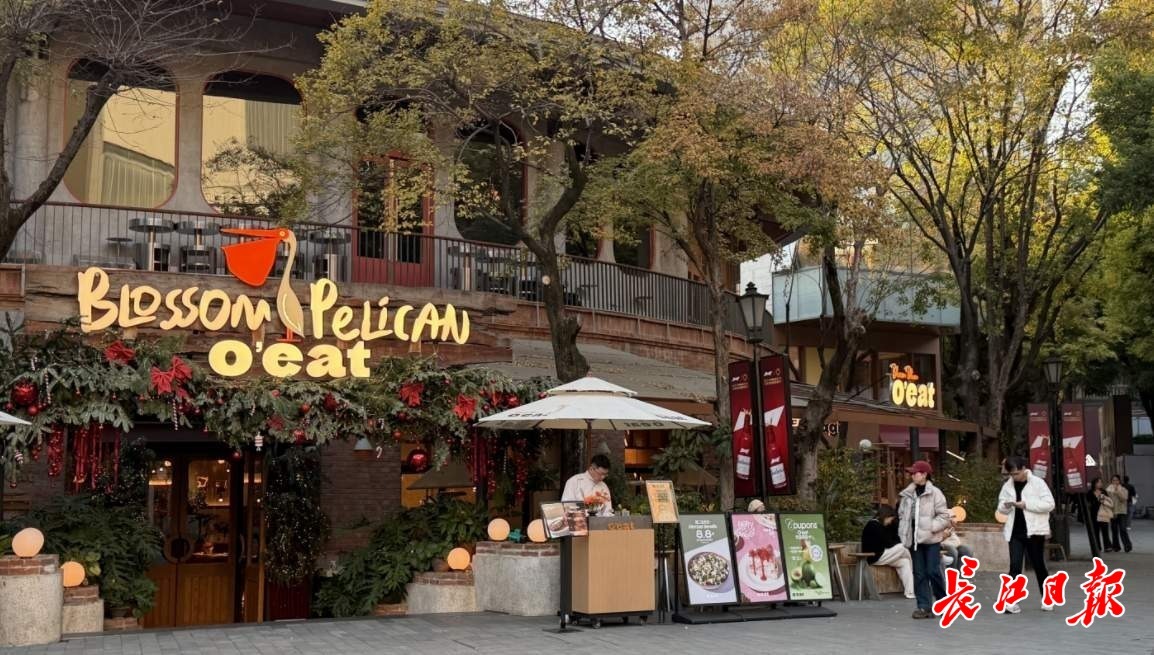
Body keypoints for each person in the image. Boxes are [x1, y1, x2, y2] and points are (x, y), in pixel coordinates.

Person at [997, 456, 1055, 613]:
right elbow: (1001, 507)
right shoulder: (1008, 485)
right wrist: (1006, 506)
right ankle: (1010, 602)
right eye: (1011, 474)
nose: (1014, 477)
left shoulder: (1037, 483)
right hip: (1015, 531)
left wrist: (1026, 505)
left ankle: (1047, 598)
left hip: (1034, 531)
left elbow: (1049, 504)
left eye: (1016, 473)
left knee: (1038, 565)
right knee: (1014, 567)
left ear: (1024, 469)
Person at [898, 460, 952, 619]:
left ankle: (943, 602)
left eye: (915, 473)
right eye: (912, 473)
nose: (912, 476)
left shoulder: (935, 493)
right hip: (914, 540)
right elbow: (902, 514)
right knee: (919, 574)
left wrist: (931, 527)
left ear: (925, 475)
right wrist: (904, 531)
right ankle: (923, 607)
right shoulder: (908, 494)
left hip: (931, 540)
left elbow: (944, 516)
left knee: (933, 571)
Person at [860, 505, 915, 599]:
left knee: (904, 562)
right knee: (902, 548)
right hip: (874, 557)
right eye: (890, 519)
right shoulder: (874, 525)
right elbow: (889, 543)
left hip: (883, 555)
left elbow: (892, 541)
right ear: (885, 516)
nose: (890, 522)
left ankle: (910, 592)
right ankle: (915, 572)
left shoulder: (880, 525)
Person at [1107, 475, 1132, 552]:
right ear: (1111, 481)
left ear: (1119, 481)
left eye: (1117, 480)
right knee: (1114, 530)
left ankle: (1127, 546)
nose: (1115, 482)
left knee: (1122, 529)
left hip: (1121, 512)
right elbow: (1108, 501)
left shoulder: (1124, 489)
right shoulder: (1108, 490)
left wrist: (1117, 491)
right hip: (1112, 512)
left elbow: (1124, 499)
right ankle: (1116, 546)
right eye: (1113, 480)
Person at [1091, 477, 1116, 553]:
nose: (1100, 484)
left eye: (1101, 482)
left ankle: (1107, 546)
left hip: (1103, 513)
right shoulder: (1090, 492)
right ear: (1094, 483)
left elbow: (1108, 501)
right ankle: (1097, 547)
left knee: (1105, 531)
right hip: (1094, 514)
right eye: (1099, 482)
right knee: (1096, 531)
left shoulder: (1103, 491)